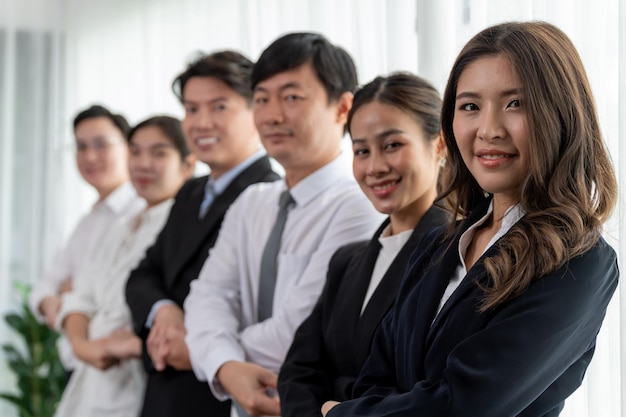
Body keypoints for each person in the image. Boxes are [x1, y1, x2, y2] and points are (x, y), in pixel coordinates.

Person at [321, 21, 619, 417]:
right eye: (470, 106)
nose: (488, 130)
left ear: (560, 115)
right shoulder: (437, 245)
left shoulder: (580, 261)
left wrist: (340, 414)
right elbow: (374, 377)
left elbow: (467, 405)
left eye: (516, 103)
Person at [184, 32, 383, 417]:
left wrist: (210, 349)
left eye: (292, 97)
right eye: (261, 99)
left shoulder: (360, 205)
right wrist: (226, 366)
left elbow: (297, 334)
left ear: (343, 108)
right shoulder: (251, 202)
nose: (272, 115)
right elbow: (206, 298)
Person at [278, 72, 451, 417]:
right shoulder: (347, 261)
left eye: (392, 146)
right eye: (361, 151)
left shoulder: (458, 255)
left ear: (440, 145)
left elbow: (426, 390)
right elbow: (298, 372)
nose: (375, 167)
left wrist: (338, 404)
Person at [125, 51, 280, 417]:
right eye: (192, 110)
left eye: (219, 107)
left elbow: (246, 305)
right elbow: (142, 275)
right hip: (161, 390)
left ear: (255, 111)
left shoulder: (270, 195)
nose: (201, 122)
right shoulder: (190, 192)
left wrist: (189, 339)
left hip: (215, 394)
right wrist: (164, 313)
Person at [54, 115, 195, 417]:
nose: (143, 164)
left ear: (188, 165)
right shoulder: (120, 226)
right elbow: (80, 297)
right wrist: (84, 346)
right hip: (90, 378)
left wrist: (118, 344)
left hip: (142, 385)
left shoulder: (184, 228)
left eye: (158, 153)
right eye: (136, 151)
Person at [29, 105, 145, 371]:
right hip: (79, 365)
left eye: (101, 145)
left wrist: (73, 296)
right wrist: (55, 303)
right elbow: (45, 286)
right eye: (81, 147)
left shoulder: (141, 212)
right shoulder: (87, 221)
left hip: (121, 370)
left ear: (128, 149)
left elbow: (114, 301)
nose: (90, 156)